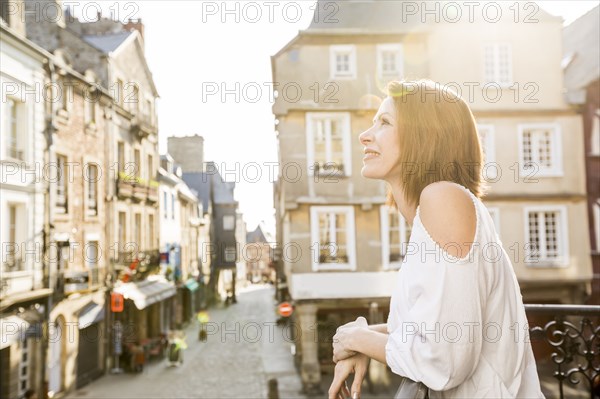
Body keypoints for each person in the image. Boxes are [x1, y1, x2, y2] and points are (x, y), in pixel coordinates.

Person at [328, 80, 544, 399]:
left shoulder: (442, 199)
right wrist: (355, 336)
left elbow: (444, 361)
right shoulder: (432, 213)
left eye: (384, 122)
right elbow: (420, 332)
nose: (365, 134)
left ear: (426, 136)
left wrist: (356, 340)